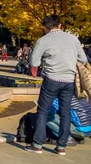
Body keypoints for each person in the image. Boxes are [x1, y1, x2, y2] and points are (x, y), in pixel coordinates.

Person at [26, 15, 88, 155]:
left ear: (45, 27)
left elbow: (34, 62)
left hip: (51, 79)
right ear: (60, 25)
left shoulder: (43, 41)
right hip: (69, 80)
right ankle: (61, 146)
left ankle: (37, 144)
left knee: (42, 111)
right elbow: (83, 59)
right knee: (65, 112)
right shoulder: (73, 39)